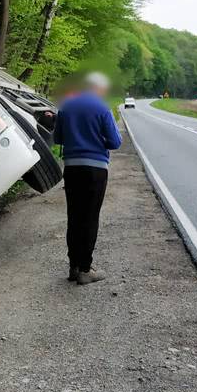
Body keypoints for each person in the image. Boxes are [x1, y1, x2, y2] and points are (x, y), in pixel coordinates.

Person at [53, 72, 122, 285]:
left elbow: (58, 138)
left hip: (72, 168)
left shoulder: (66, 106)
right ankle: (85, 269)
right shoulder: (102, 107)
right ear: (99, 89)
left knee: (74, 217)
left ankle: (73, 267)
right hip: (96, 169)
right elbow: (115, 142)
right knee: (90, 217)